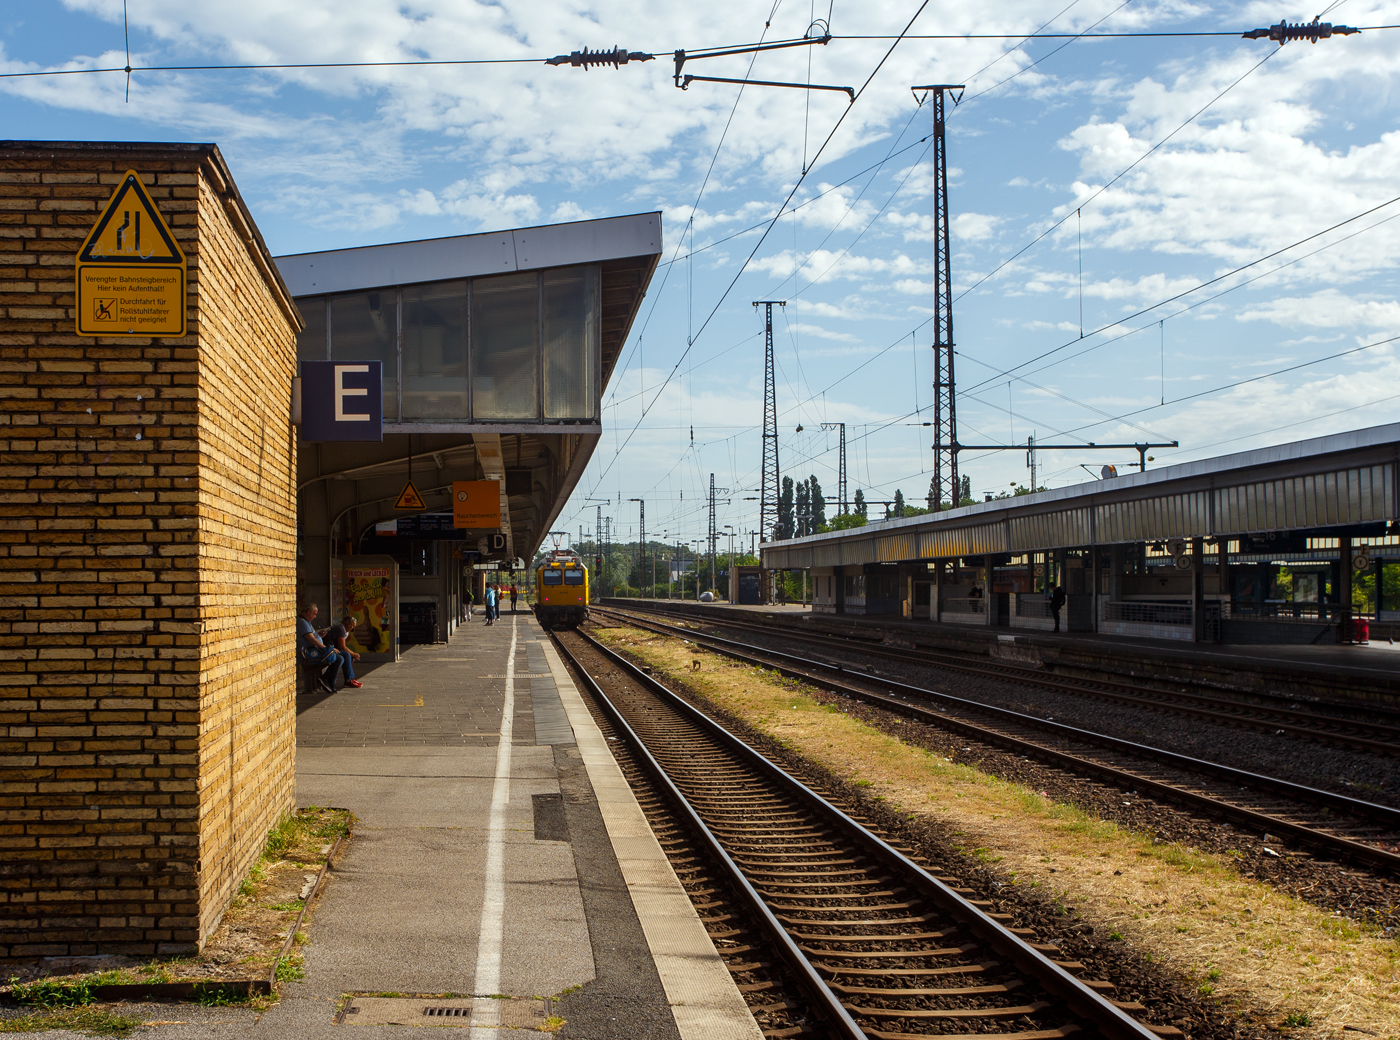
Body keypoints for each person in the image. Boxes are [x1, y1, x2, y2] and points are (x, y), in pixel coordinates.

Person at [296, 603, 339, 693]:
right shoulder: (302, 622)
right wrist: (327, 648)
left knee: (342, 656)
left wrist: (319, 635)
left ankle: (328, 681)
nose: (315, 617)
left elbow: (312, 636)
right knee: (338, 658)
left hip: (315, 649)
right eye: (314, 614)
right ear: (309, 612)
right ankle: (328, 681)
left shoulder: (307, 622)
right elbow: (311, 640)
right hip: (310, 653)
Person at [325, 614, 363, 689]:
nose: (351, 627)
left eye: (352, 626)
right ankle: (349, 679)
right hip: (327, 650)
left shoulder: (344, 631)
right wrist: (354, 654)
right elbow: (342, 647)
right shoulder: (341, 629)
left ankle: (351, 678)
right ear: (345, 623)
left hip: (332, 649)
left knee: (347, 655)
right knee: (346, 655)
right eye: (350, 625)